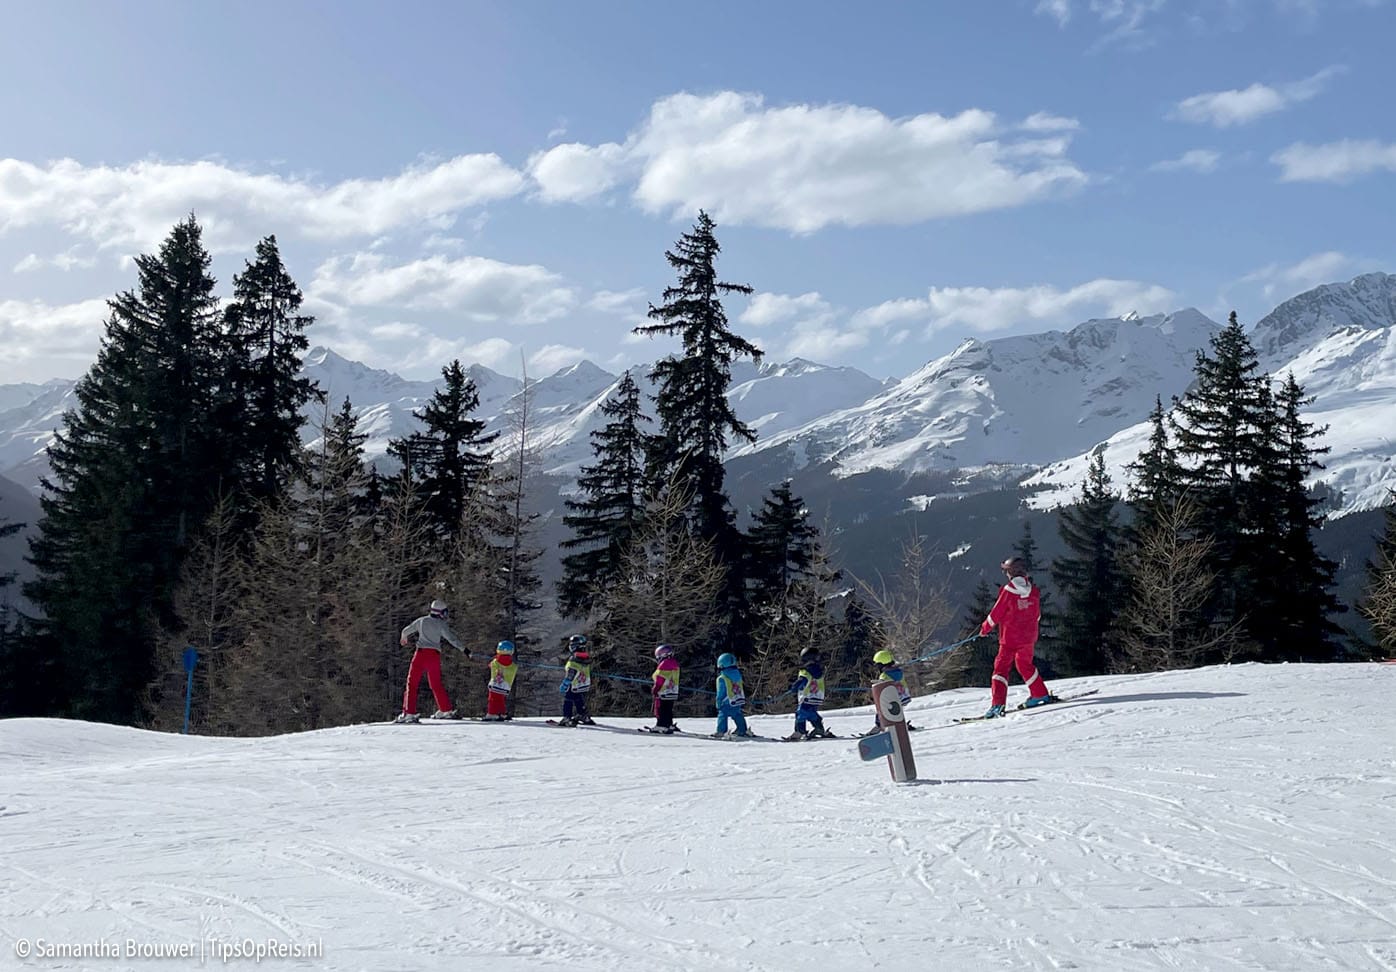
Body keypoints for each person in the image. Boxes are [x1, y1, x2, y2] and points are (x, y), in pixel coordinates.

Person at [979, 556, 1052, 718]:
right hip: (1029, 637)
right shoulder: (1033, 590)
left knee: (1001, 668)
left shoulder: (1008, 591)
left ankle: (997, 704)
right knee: (1024, 664)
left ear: (1011, 572)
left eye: (1006, 571)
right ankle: (1039, 693)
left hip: (1010, 639)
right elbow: (1037, 614)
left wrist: (984, 628)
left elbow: (996, 613)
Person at [396, 599, 471, 723]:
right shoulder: (441, 624)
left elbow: (405, 631)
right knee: (436, 684)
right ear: (440, 612)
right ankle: (446, 710)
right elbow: (452, 639)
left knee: (412, 683)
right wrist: (465, 650)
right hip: (434, 656)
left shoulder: (421, 621)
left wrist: (403, 639)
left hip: (420, 654)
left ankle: (409, 712)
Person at [785, 647, 834, 741]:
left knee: (801, 713)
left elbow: (803, 680)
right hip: (817, 697)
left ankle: (799, 732)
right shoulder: (818, 670)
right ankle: (819, 728)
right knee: (811, 713)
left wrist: (794, 687)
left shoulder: (806, 671)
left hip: (807, 696)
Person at [865, 648, 916, 734]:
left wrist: (876, 684)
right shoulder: (898, 671)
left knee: (881, 710)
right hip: (904, 697)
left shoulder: (884, 675)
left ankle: (878, 726)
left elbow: (883, 687)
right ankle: (901, 724)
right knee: (896, 711)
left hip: (893, 698)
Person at [557, 635, 594, 727]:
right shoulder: (585, 658)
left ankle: (567, 717)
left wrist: (565, 684)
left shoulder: (574, 661)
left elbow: (571, 675)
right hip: (583, 684)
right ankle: (583, 715)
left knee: (568, 700)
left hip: (573, 685)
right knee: (578, 699)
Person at [713, 653, 752, 738]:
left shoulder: (722, 678)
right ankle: (742, 729)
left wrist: (718, 701)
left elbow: (721, 692)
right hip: (737, 699)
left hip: (726, 701)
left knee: (722, 715)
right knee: (737, 714)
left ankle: (721, 731)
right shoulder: (737, 675)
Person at [481, 640, 517, 721]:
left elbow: (491, 665)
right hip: (505, 686)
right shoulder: (512, 664)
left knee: (492, 699)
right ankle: (502, 712)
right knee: (500, 699)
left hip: (495, 685)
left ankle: (491, 713)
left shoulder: (495, 662)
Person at [650, 644, 681, 733]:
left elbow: (661, 678)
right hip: (672, 691)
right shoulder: (674, 663)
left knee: (661, 709)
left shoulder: (665, 664)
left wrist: (656, 689)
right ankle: (668, 724)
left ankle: (661, 725)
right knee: (668, 708)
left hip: (663, 691)